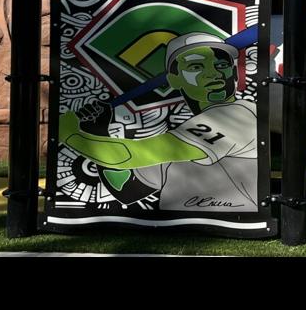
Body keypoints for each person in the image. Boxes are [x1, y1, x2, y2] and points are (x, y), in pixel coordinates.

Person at [59, 32, 260, 212]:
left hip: (224, 225)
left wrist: (70, 135)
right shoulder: (184, 131)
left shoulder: (239, 115)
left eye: (221, 65)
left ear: (234, 73)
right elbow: (127, 188)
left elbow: (130, 156)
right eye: (196, 66)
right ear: (174, 80)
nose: (214, 73)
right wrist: (100, 132)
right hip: (183, 234)